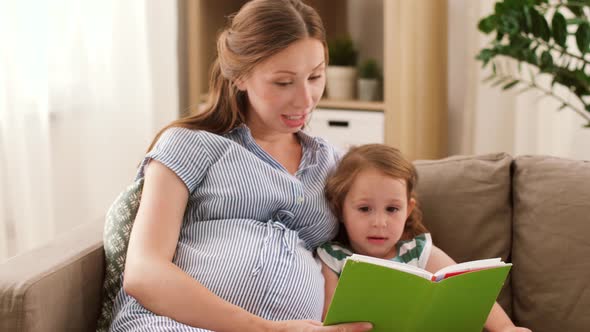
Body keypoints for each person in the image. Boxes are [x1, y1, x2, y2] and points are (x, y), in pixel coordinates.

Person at [108, 0, 374, 331]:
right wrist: (266, 329)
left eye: (315, 76)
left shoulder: (335, 166)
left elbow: (395, 234)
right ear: (240, 76)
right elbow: (143, 272)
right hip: (170, 324)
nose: (306, 99)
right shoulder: (189, 145)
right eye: (283, 82)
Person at [318, 144, 532, 332]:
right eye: (365, 209)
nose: (380, 222)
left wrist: (506, 327)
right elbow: (329, 319)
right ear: (340, 209)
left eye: (392, 209)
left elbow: (470, 291)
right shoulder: (333, 257)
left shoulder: (418, 250)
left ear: (408, 209)